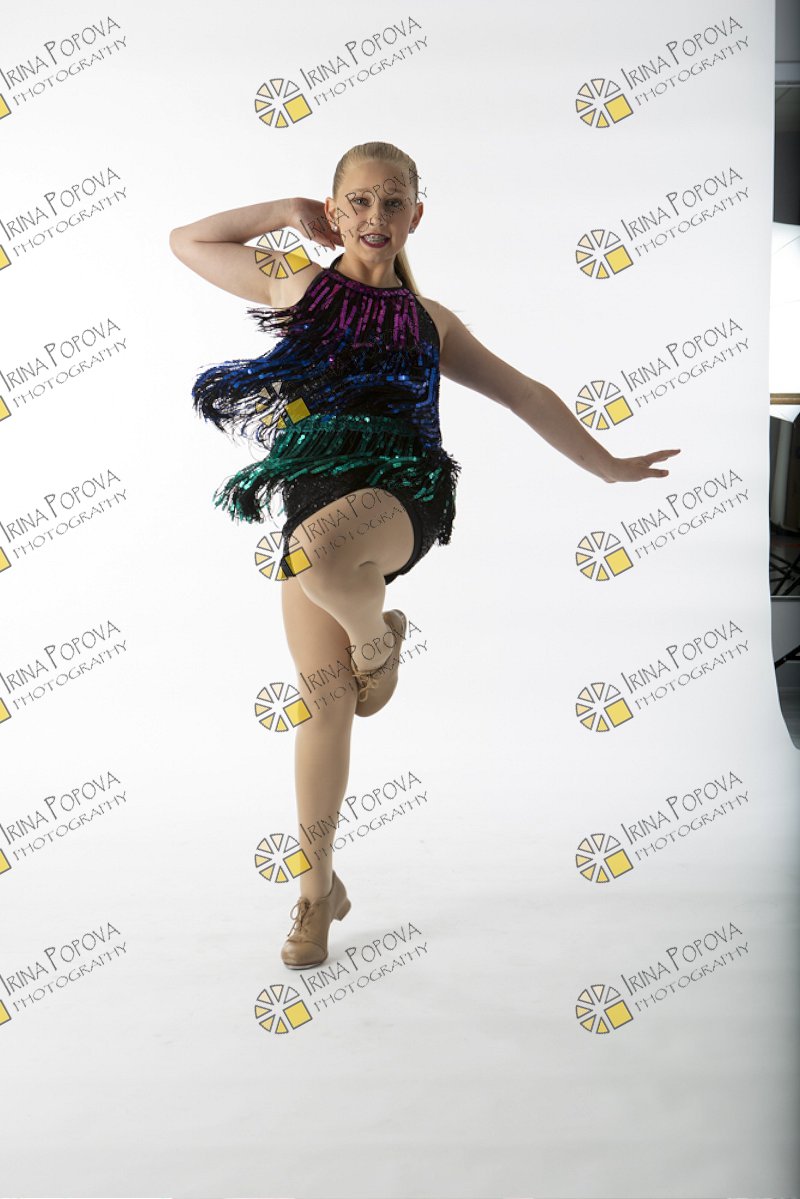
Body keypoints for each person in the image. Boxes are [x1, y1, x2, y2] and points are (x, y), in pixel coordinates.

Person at [169, 140, 680, 971]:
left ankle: (378, 641)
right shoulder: (298, 286)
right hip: (314, 499)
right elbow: (188, 241)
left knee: (317, 554)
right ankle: (316, 889)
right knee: (324, 701)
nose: (376, 216)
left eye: (393, 202)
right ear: (334, 212)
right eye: (359, 201)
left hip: (401, 495)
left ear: (416, 215)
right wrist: (282, 211)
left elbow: (523, 394)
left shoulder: (430, 322)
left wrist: (609, 466)